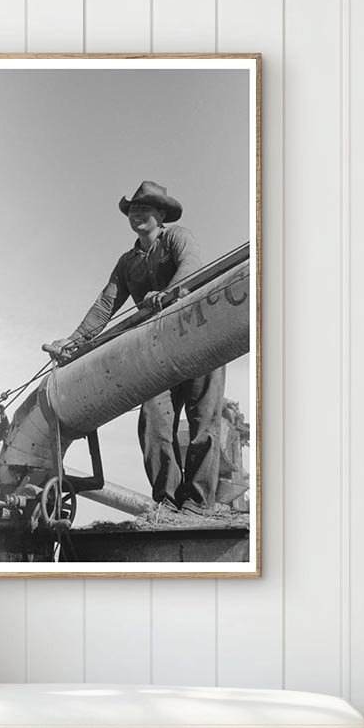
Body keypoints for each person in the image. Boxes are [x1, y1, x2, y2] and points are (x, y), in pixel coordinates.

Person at [43, 180, 225, 514]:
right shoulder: (128, 262)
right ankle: (167, 504)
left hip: (198, 336)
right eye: (133, 210)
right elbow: (105, 305)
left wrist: (170, 292)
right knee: (154, 422)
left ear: (161, 214)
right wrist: (73, 341)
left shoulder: (177, 238)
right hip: (158, 351)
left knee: (204, 423)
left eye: (145, 209)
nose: (138, 215)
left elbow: (191, 265)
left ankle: (198, 504)